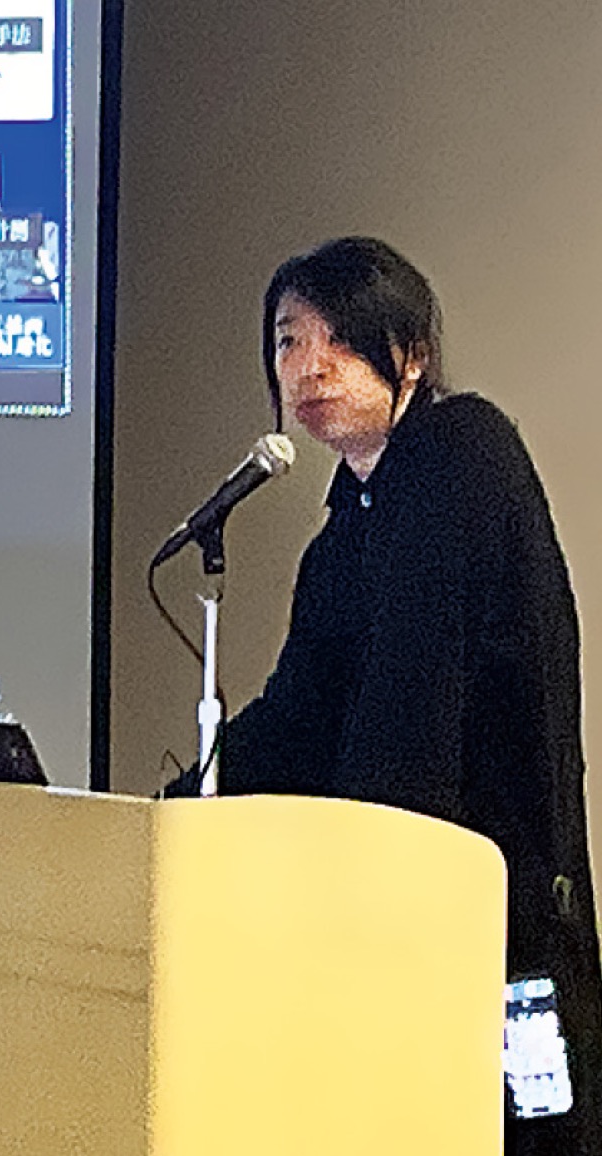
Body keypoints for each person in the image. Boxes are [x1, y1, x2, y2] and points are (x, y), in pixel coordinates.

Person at [167, 237, 602, 1154]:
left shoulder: (463, 451)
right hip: (403, 917)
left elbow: (413, 709)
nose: (308, 366)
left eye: (339, 338)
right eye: (288, 340)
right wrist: (176, 809)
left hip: (496, 913)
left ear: (410, 355)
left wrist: (352, 887)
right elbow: (298, 717)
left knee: (528, 1132)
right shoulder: (341, 537)